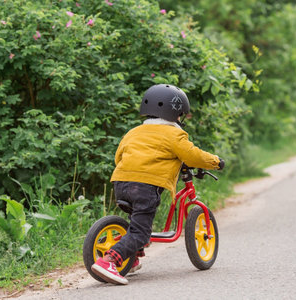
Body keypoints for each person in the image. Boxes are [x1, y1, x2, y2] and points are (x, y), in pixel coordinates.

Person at [91, 84, 225, 285]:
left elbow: (118, 156)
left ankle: (131, 258)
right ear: (174, 112)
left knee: (136, 222)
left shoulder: (134, 132)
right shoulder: (174, 134)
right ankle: (110, 260)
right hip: (145, 186)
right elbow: (192, 155)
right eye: (181, 115)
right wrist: (216, 161)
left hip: (121, 182)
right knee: (141, 232)